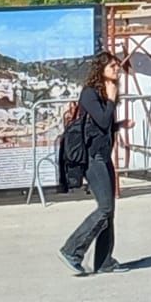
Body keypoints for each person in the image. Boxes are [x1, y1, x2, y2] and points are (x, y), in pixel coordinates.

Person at [60, 52, 123, 276]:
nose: (117, 69)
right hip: (92, 158)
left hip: (104, 155)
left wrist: (120, 125)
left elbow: (102, 127)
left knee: (110, 211)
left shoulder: (105, 93)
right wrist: (112, 99)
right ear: (101, 70)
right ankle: (72, 250)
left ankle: (104, 260)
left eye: (118, 66)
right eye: (112, 66)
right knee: (104, 207)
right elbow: (103, 119)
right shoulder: (90, 94)